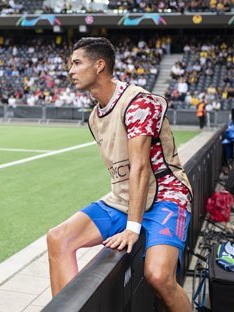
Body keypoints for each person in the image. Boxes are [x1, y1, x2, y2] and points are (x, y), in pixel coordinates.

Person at [47, 37, 193, 312]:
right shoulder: (94, 117)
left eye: (77, 63)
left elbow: (140, 167)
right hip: (125, 199)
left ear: (99, 65)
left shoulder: (138, 103)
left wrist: (132, 228)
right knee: (59, 238)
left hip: (165, 195)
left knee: (159, 277)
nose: (70, 70)